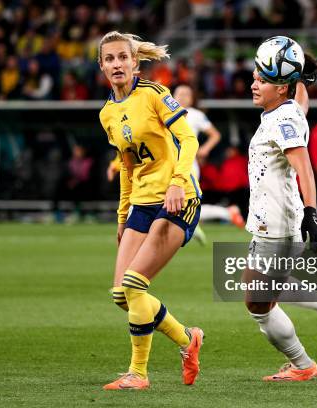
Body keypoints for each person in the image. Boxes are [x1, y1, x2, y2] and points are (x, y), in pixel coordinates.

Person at [244, 39, 317, 382]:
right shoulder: (290, 108)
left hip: (277, 226)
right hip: (274, 222)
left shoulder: (282, 121)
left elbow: (305, 168)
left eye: (262, 81)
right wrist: (301, 78)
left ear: (280, 88)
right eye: (254, 76)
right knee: (266, 289)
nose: (253, 84)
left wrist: (313, 213)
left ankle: (302, 365)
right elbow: (302, 100)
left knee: (258, 306)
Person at [97, 31, 204, 390]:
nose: (116, 64)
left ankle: (138, 374)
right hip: (141, 204)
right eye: (109, 59)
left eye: (122, 58)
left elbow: (189, 139)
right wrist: (122, 215)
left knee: (133, 284)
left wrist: (177, 181)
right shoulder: (108, 113)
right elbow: (127, 167)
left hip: (179, 198)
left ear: (134, 62)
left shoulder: (156, 94)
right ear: (102, 66)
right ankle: (188, 340)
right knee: (120, 295)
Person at [172, 83, 223, 242]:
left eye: (186, 94)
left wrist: (205, 149)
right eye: (179, 93)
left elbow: (215, 135)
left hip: (188, 164)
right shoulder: (165, 112)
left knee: (188, 199)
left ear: (192, 98)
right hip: (169, 163)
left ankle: (193, 225)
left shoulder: (195, 115)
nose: (182, 96)